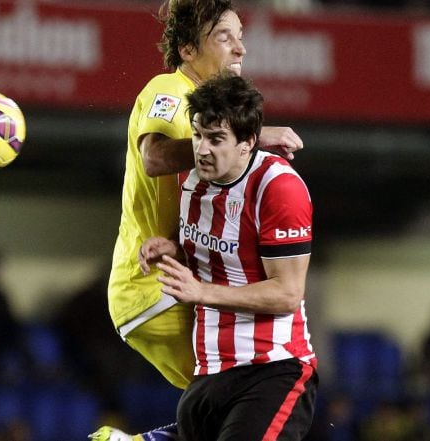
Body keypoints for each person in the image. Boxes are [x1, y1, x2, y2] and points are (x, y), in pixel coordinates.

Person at [94, 0, 303, 439]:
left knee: (229, 412)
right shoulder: (168, 88)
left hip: (165, 279)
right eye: (224, 37)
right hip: (153, 288)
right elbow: (154, 157)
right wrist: (252, 136)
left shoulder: (209, 114)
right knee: (253, 387)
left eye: (241, 35)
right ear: (188, 49)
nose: (240, 48)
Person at [141, 73, 318, 440]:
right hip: (207, 375)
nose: (202, 149)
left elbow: (287, 294)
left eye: (216, 139)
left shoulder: (278, 188)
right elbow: (226, 250)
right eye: (198, 135)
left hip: (271, 370)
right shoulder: (192, 180)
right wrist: (173, 248)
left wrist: (201, 292)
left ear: (248, 143)